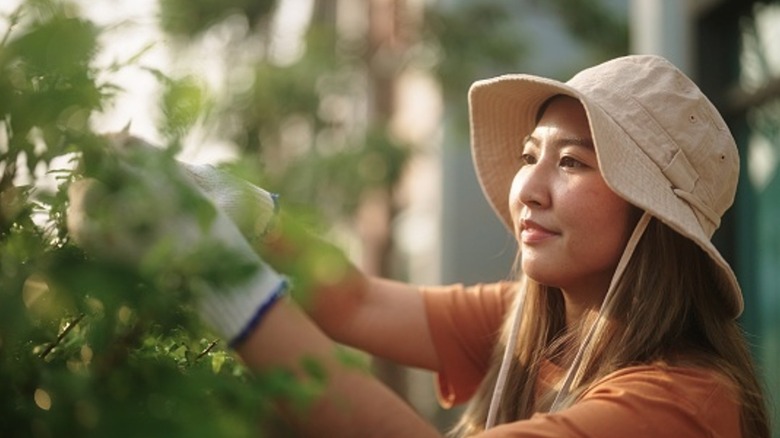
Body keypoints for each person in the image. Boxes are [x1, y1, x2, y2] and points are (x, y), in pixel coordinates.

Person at [66, 54, 770, 437]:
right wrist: (251, 215)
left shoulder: (682, 405)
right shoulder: (538, 323)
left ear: (653, 221)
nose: (528, 186)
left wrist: (217, 271)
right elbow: (357, 300)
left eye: (574, 163)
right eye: (532, 153)